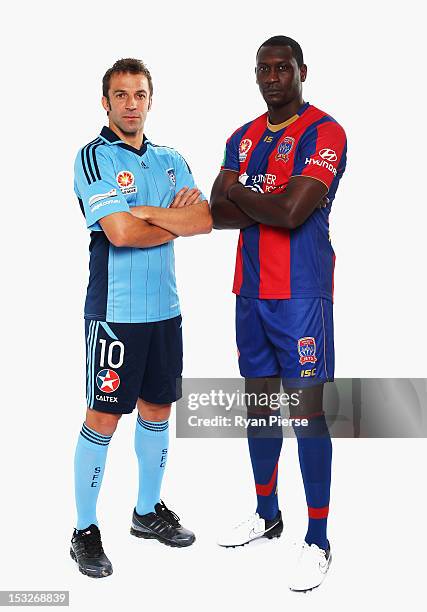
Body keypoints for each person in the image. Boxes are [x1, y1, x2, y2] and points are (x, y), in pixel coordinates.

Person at [211, 36, 347, 592]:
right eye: (263, 68)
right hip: (250, 292)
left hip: (301, 295)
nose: (272, 77)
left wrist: (240, 192)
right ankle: (268, 515)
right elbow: (217, 215)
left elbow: (292, 212)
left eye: (282, 67)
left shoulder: (324, 131)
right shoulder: (241, 137)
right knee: (260, 408)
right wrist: (246, 198)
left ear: (301, 71)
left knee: (308, 414)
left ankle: (318, 539)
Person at [71, 58, 212, 578]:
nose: (131, 103)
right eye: (121, 94)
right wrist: (164, 218)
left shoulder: (171, 159)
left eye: (139, 94)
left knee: (158, 411)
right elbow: (121, 235)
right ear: (105, 102)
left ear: (151, 100)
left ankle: (147, 512)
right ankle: (85, 530)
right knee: (104, 417)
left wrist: (148, 214)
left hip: (165, 311)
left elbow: (204, 218)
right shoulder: (94, 158)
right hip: (117, 312)